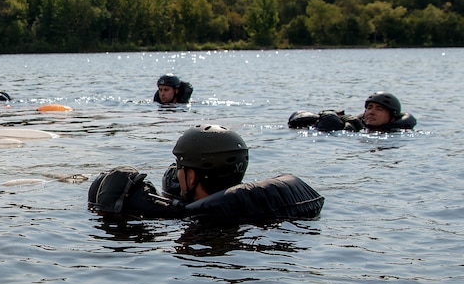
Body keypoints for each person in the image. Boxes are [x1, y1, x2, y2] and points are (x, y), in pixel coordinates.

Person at [88, 124, 324, 221]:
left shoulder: (194, 223)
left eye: (180, 168)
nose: (176, 173)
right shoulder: (255, 208)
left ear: (191, 177)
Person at [288, 91, 416, 132]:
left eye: (379, 109)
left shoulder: (395, 134)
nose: (371, 112)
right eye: (369, 108)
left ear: (392, 117)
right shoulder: (354, 123)